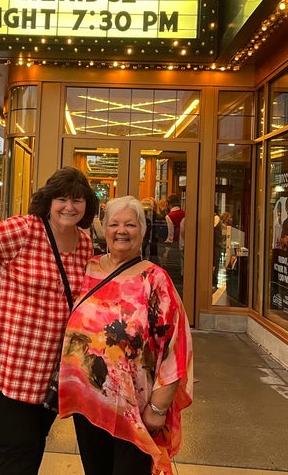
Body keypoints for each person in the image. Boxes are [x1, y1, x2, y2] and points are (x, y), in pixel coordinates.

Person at [0, 166, 99, 474]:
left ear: (87, 206)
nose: (70, 207)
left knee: (32, 449)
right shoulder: (25, 229)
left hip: (51, 374)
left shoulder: (84, 243)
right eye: (62, 199)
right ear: (49, 201)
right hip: (11, 366)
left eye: (78, 200)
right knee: (17, 457)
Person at [59, 195, 193, 475]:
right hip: (88, 404)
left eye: (130, 225)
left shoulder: (154, 279)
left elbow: (175, 348)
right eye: (114, 224)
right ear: (104, 229)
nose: (122, 230)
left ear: (142, 232)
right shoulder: (88, 269)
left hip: (136, 410)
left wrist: (157, 409)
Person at [162, 194, 185, 285]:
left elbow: (170, 234)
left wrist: (166, 248)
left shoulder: (169, 216)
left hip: (174, 245)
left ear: (169, 204)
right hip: (184, 243)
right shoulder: (185, 213)